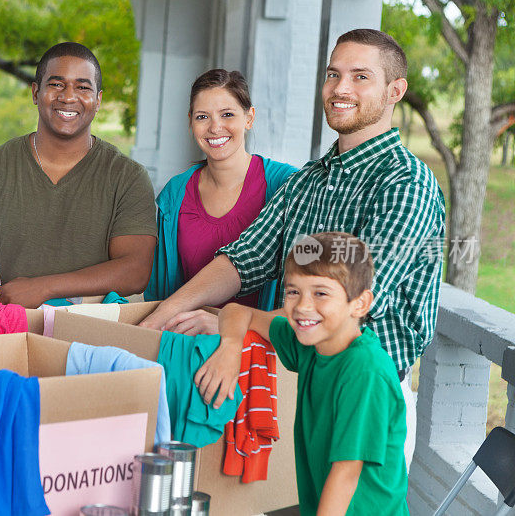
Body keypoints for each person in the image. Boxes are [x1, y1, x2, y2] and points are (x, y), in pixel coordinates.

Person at [141, 29, 445, 467]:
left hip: (364, 393)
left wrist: (236, 328)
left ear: (395, 90)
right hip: (302, 387)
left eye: (361, 77)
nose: (341, 88)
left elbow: (338, 306)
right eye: (333, 74)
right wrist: (156, 320)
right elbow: (242, 260)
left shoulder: (405, 184)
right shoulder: (307, 180)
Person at [207, 232, 407, 515]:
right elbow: (238, 312)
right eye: (293, 291)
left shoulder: (366, 371)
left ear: (360, 303)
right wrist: (230, 348)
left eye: (321, 293)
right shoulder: (313, 342)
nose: (302, 306)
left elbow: (346, 474)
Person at [0, 42, 157, 308]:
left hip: (89, 337)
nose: (68, 97)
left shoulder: (127, 177)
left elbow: (136, 271)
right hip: (4, 333)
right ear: (36, 92)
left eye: (83, 87)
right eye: (57, 84)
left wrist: (44, 288)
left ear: (98, 100)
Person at [145, 68, 296, 315]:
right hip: (187, 341)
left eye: (227, 114)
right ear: (190, 121)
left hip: (257, 345)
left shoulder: (285, 183)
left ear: (249, 118)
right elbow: (159, 290)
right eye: (202, 117)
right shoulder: (175, 193)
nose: (215, 128)